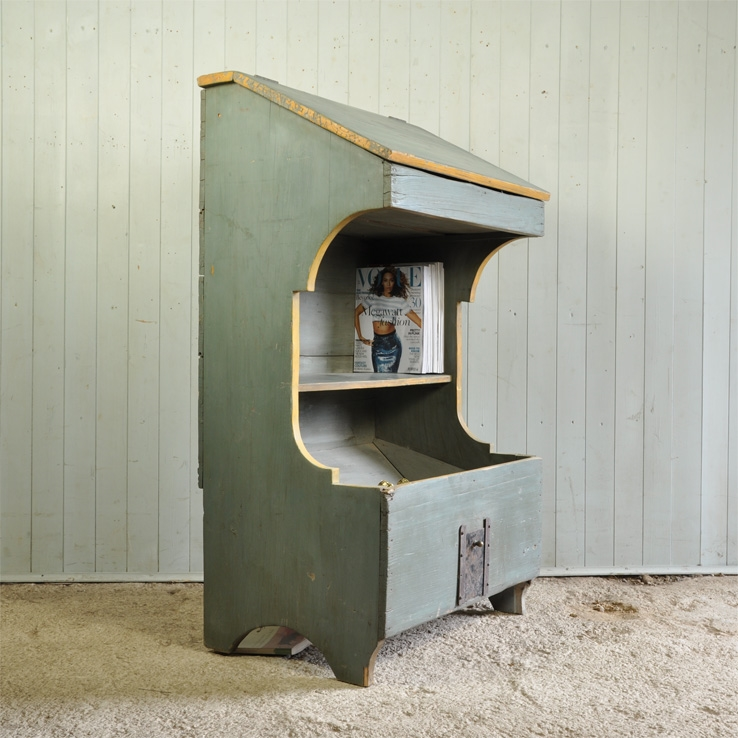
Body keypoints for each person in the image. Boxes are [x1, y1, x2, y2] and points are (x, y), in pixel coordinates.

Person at [354, 266, 422, 372]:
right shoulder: (373, 298)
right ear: (381, 282)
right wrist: (360, 336)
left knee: (391, 378)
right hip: (377, 345)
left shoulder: (399, 301)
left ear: (395, 282)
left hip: (393, 346)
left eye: (391, 280)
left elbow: (419, 322)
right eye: (385, 280)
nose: (389, 284)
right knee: (378, 378)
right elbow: (356, 312)